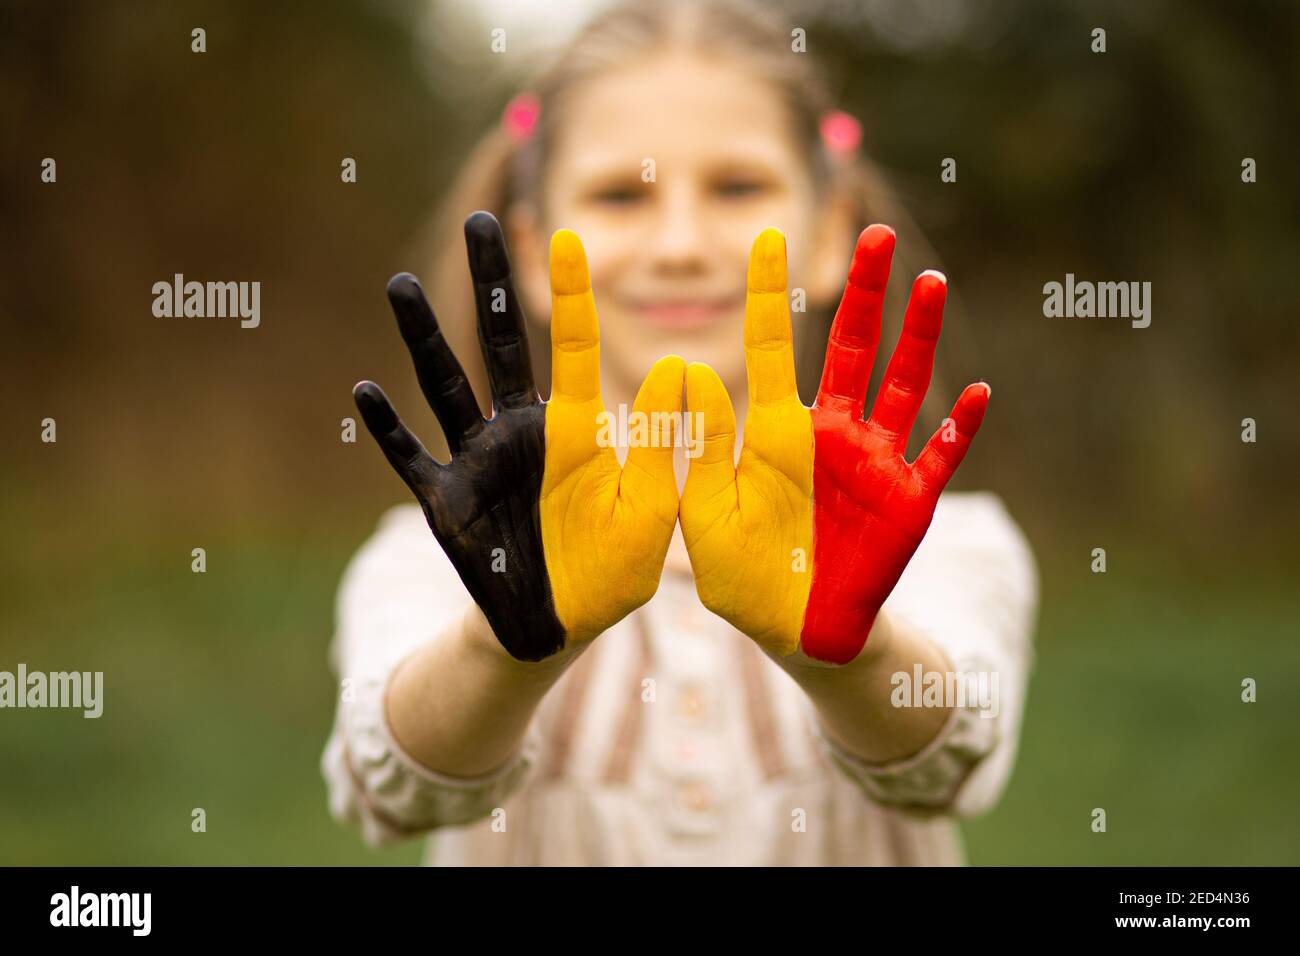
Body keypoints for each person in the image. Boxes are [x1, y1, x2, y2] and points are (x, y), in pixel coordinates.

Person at [322, 0, 1037, 866]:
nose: (681, 243)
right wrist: (505, 634)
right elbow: (393, 787)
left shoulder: (952, 547)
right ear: (534, 249)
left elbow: (945, 769)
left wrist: (848, 644)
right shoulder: (434, 555)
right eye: (622, 194)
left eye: (737, 187)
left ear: (828, 229)